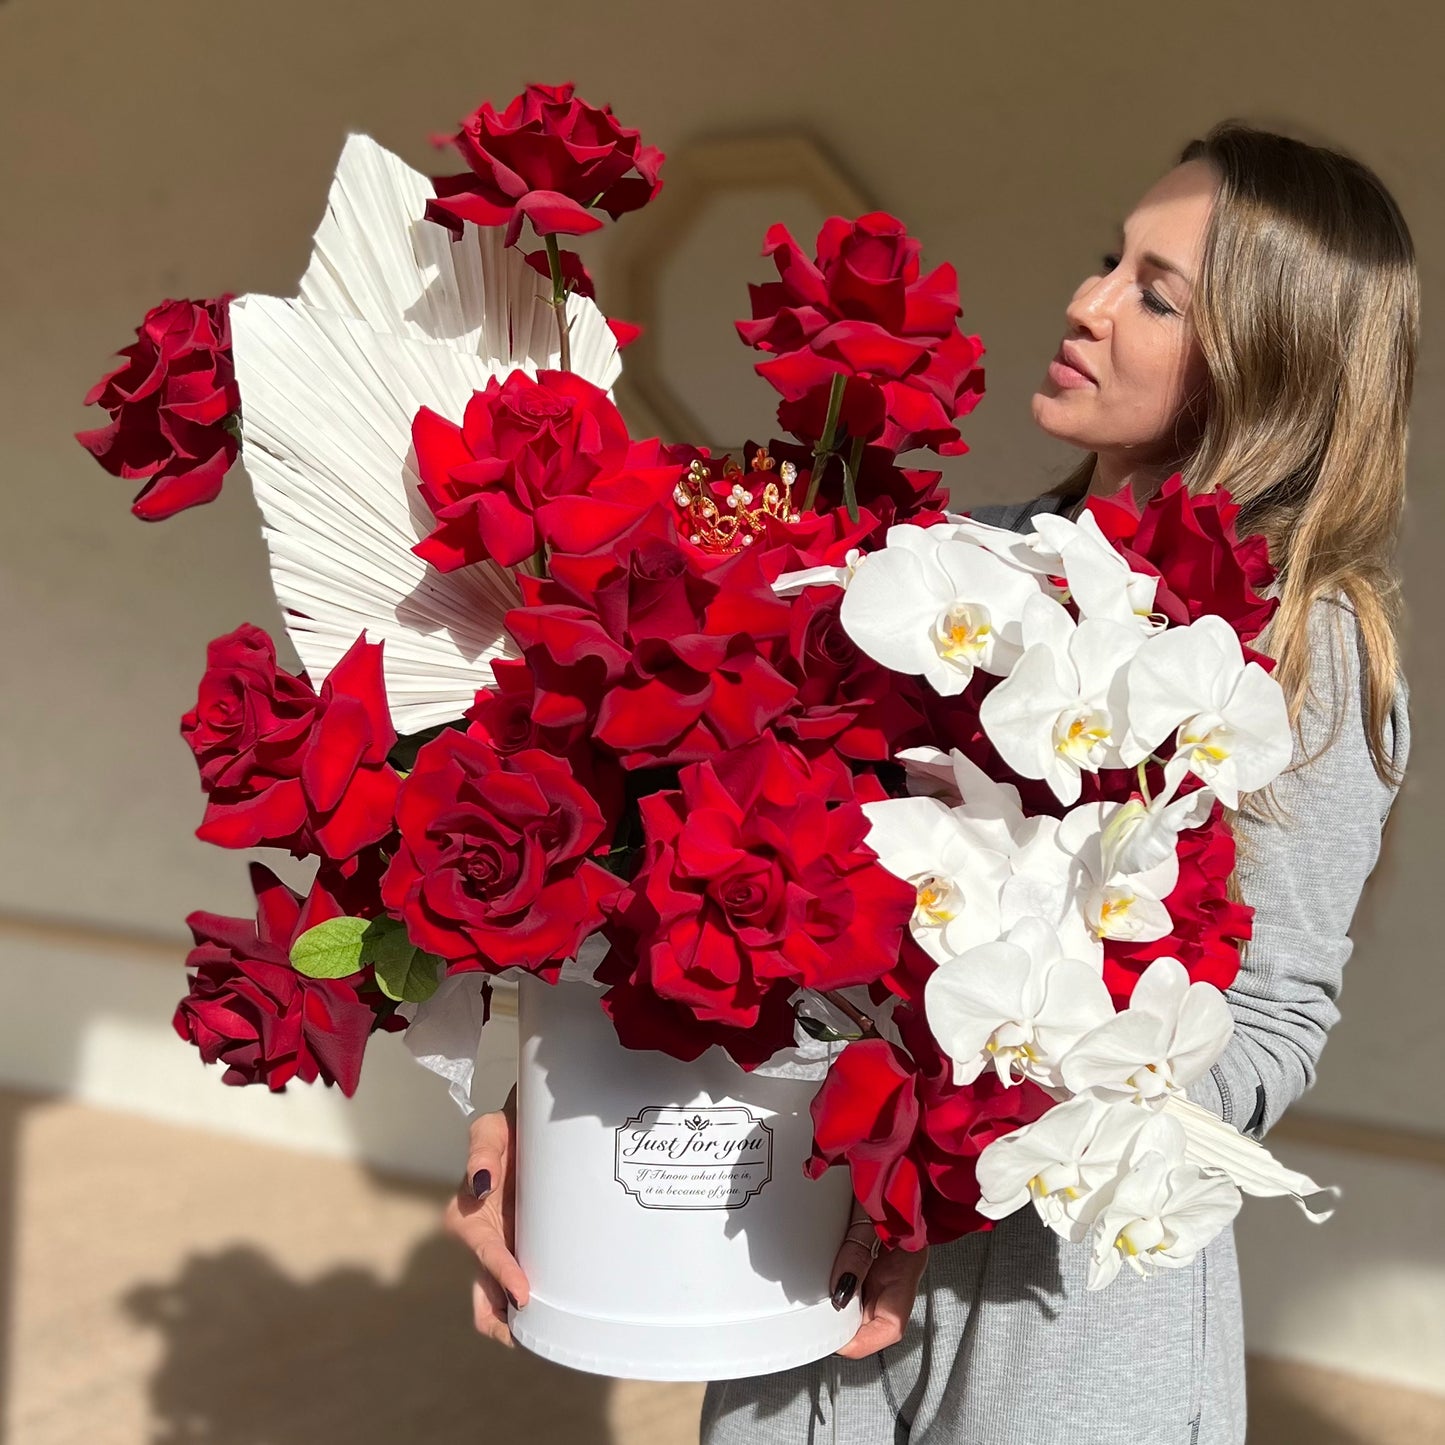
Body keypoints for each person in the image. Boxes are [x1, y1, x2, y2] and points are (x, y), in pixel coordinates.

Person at [444, 120, 1416, 1445]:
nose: (1082, 304)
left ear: (1273, 356)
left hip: (1067, 1306)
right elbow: (763, 912)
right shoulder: (955, 566)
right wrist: (542, 1120)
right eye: (1103, 261)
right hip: (809, 1251)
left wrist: (1013, 1098)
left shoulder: (1309, 641)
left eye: (1152, 292)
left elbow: (1276, 1016)